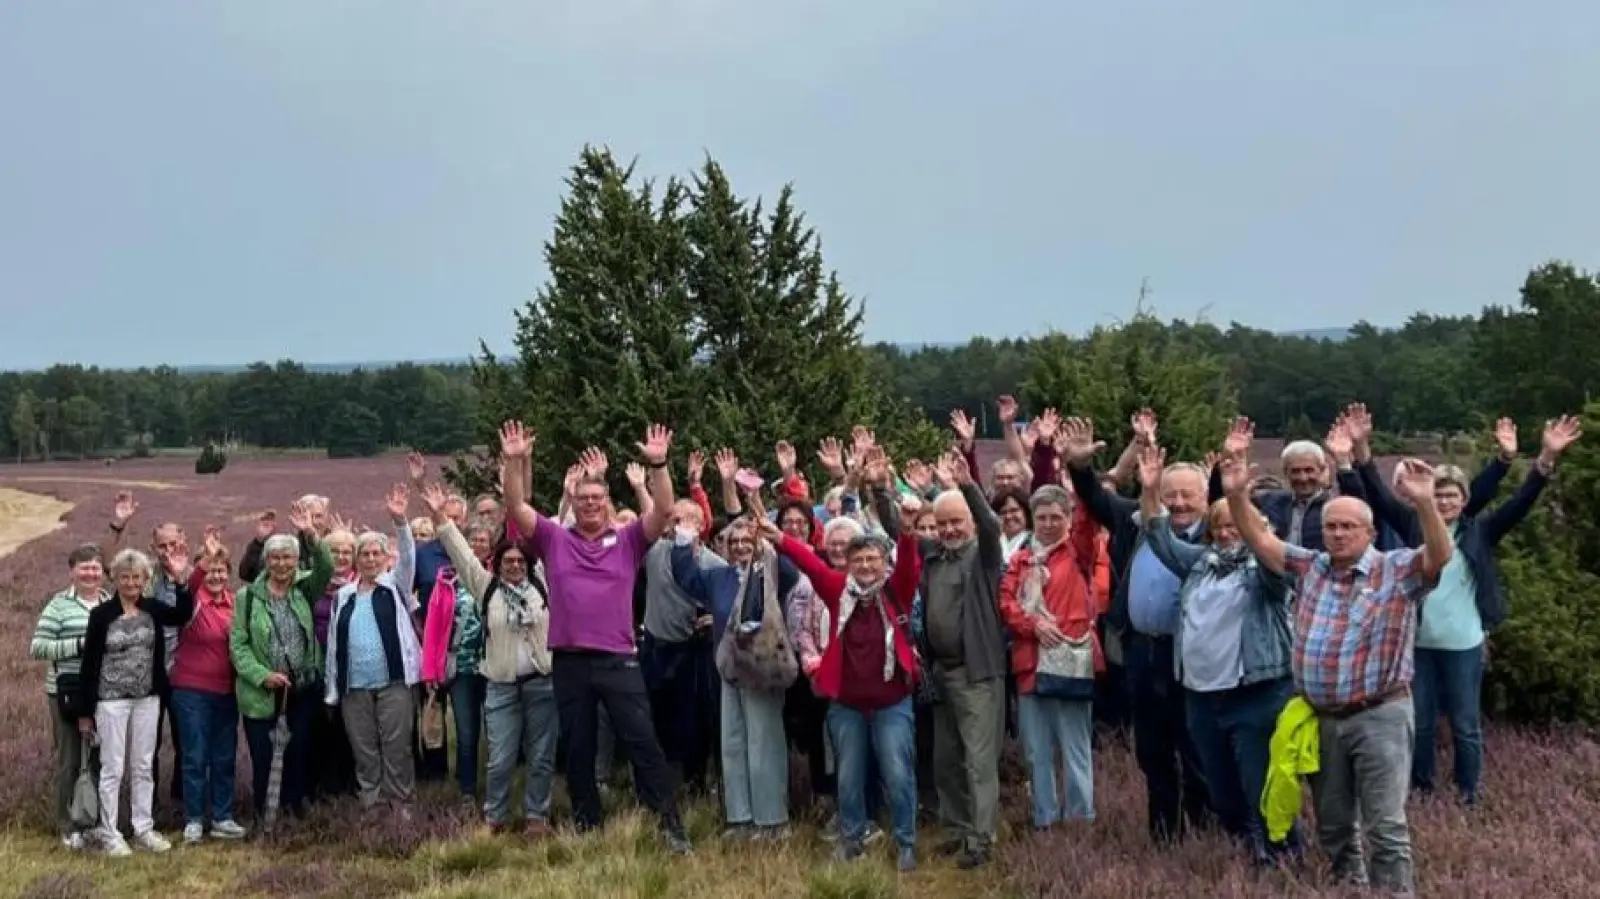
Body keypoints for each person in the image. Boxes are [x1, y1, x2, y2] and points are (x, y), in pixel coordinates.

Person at [1222, 442, 1452, 894]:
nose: (1338, 534)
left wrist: (1425, 502)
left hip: (1380, 715)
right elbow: (1262, 540)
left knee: (1385, 826)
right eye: (1331, 526)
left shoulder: (1396, 571)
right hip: (1323, 720)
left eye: (1349, 527)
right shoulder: (1310, 567)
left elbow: (1438, 556)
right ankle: (1351, 888)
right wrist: (1234, 497)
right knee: (1333, 825)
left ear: (1369, 532)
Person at [1339, 407, 1580, 805]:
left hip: (1463, 645)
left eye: (1452, 496)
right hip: (1418, 645)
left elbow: (1521, 501)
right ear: (1425, 498)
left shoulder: (1481, 532)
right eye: (1438, 495)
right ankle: (1422, 788)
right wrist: (1361, 446)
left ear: (1465, 501)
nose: (1445, 502)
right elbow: (1379, 495)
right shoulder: (1414, 526)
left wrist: (1547, 458)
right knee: (1422, 723)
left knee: (1467, 725)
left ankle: (1470, 793)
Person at [499, 420, 692, 854]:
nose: (589, 504)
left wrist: (658, 464)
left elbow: (663, 511)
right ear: (575, 501)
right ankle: (588, 826)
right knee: (580, 748)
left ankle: (669, 825)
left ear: (607, 504)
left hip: (619, 659)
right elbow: (516, 506)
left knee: (642, 741)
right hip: (569, 662)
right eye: (583, 498)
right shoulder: (553, 540)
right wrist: (514, 461)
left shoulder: (627, 541)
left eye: (597, 498)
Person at [1137, 443, 1296, 863]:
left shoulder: (1268, 571)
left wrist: (1238, 495)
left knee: (1259, 784)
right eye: (1219, 526)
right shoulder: (1202, 563)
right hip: (1203, 698)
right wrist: (1151, 489)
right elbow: (1158, 534)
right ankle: (1252, 847)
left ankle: (1279, 856)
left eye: (1235, 526)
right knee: (1222, 794)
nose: (1226, 533)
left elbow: (1264, 550)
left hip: (1254, 695)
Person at [768, 447, 923, 872]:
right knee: (849, 778)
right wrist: (779, 537)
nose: (866, 565)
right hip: (847, 704)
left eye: (873, 558)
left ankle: (906, 842)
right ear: (849, 565)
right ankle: (852, 838)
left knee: (897, 772)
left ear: (883, 562)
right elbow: (807, 561)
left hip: (893, 702)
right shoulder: (837, 589)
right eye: (858, 560)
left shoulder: (896, 590)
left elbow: (908, 563)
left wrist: (907, 532)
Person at [426, 482, 557, 837]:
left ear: (528, 564)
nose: (514, 565)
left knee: (541, 756)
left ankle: (536, 816)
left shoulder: (542, 584)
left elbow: (553, 537)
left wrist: (555, 495)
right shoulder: (486, 589)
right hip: (500, 687)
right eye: (507, 561)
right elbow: (461, 554)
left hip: (542, 684)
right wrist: (440, 516)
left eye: (519, 561)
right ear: (497, 564)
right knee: (499, 758)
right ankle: (494, 816)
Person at [671, 513, 801, 842]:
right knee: (732, 744)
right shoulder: (719, 577)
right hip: (729, 668)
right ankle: (740, 818)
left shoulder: (768, 572)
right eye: (735, 542)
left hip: (762, 669)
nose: (741, 547)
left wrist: (771, 542)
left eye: (747, 542)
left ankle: (772, 821)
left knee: (764, 742)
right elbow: (686, 577)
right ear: (726, 548)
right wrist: (684, 540)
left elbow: (790, 572)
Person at [76, 545, 196, 856]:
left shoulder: (153, 608)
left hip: (148, 699)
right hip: (110, 701)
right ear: (114, 579)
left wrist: (181, 580)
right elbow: (89, 665)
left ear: (145, 579)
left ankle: (143, 827)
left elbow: (182, 614)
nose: (131, 583)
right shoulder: (101, 615)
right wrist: (85, 712)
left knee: (143, 765)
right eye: (125, 577)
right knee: (112, 767)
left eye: (137, 578)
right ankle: (109, 831)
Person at [998, 486, 1103, 831]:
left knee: (1075, 750)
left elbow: (1089, 523)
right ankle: (1045, 820)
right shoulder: (1021, 560)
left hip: (1069, 663)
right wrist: (1032, 624)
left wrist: (1079, 471)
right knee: (1036, 752)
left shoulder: (1079, 553)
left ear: (1068, 518)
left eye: (1056, 517)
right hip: (1030, 665)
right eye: (1041, 517)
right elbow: (1006, 602)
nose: (1047, 524)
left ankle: (1080, 821)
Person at [232, 500, 333, 822]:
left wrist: (310, 534)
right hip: (262, 694)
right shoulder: (246, 598)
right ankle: (267, 814)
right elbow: (239, 644)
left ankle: (295, 810)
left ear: (296, 559)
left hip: (301, 689)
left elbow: (327, 568)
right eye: (274, 558)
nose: (281, 564)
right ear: (265, 562)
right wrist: (262, 676)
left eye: (287, 557)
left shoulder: (305, 588)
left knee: (299, 752)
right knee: (264, 757)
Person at [325, 484, 423, 814]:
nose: (369, 559)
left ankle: (400, 803)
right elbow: (334, 648)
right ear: (356, 559)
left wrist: (400, 521)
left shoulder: (395, 586)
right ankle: (372, 802)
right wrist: (332, 688)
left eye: (375, 554)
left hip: (393, 682)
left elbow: (409, 555)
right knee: (364, 748)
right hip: (355, 686)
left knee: (396, 746)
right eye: (363, 554)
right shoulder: (345, 596)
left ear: (384, 558)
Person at [168, 533, 248, 843]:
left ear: (228, 573)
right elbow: (189, 586)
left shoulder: (236, 603)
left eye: (221, 569)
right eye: (210, 570)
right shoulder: (192, 601)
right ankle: (194, 819)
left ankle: (223, 817)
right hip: (191, 692)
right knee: (195, 756)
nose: (215, 576)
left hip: (227, 692)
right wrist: (200, 565)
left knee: (224, 756)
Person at [31, 544, 109, 851]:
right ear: (72, 571)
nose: (90, 573)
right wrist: (79, 645)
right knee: (69, 760)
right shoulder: (58, 605)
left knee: (99, 760)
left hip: (103, 693)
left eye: (95, 567)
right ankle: (68, 826)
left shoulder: (108, 602)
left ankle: (92, 821)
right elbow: (38, 647)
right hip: (65, 694)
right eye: (84, 567)